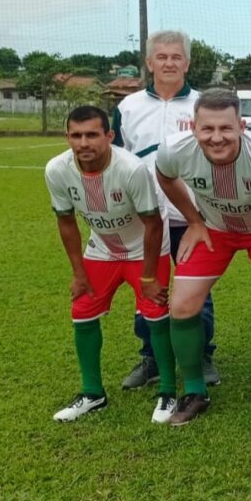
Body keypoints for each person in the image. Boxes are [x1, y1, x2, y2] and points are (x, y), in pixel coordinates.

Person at [155, 90, 251, 426]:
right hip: (214, 230)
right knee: (182, 305)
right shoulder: (174, 150)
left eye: (226, 129)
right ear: (193, 126)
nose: (217, 138)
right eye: (207, 129)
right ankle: (195, 391)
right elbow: (165, 177)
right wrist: (195, 221)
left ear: (242, 126)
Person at [46, 106, 174, 423]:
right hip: (102, 247)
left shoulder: (131, 169)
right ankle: (93, 393)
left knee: (155, 311)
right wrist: (78, 273)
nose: (83, 143)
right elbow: (66, 222)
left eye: (92, 134)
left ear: (109, 136)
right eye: (76, 135)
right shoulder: (57, 169)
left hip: (144, 248)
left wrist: (148, 276)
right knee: (82, 310)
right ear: (67, 137)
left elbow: (153, 223)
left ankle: (169, 392)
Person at [112, 30, 218, 390]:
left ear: (187, 62)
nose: (169, 62)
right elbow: (117, 159)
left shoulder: (205, 105)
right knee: (149, 287)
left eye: (176, 57)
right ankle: (151, 357)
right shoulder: (128, 108)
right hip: (145, 217)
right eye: (162, 56)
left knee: (197, 288)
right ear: (149, 62)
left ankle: (201, 354)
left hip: (194, 217)